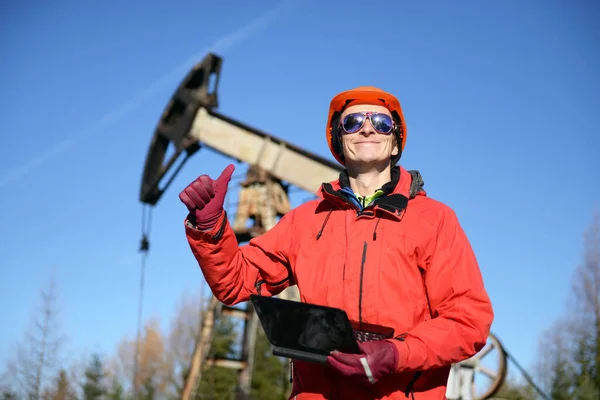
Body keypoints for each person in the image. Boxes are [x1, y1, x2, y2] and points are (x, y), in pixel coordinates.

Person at [179, 86, 494, 399]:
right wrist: (208, 226)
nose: (367, 128)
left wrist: (396, 354)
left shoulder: (435, 221)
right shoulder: (304, 222)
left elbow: (468, 321)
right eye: (353, 121)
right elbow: (236, 282)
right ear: (339, 141)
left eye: (382, 123)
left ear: (396, 143)